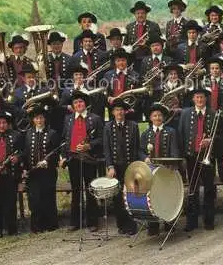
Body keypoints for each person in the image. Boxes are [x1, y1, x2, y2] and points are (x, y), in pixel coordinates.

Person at [178, 88, 223, 231]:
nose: (200, 100)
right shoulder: (185, 114)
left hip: (208, 157)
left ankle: (208, 220)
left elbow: (222, 135)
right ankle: (191, 222)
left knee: (209, 189)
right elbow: (181, 135)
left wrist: (211, 140)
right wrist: (182, 157)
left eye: (202, 98)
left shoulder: (214, 114)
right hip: (191, 157)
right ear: (193, 99)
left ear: (206, 99)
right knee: (192, 189)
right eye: (197, 97)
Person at [61, 90, 102, 232]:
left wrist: (88, 146)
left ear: (85, 104)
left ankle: (92, 222)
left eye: (81, 102)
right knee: (76, 191)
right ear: (73, 105)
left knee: (90, 190)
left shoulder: (95, 118)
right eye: (76, 102)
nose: (78, 104)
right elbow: (64, 140)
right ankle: (75, 222)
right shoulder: (68, 119)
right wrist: (64, 156)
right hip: (73, 159)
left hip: (89, 159)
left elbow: (101, 139)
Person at [103, 99, 142, 235]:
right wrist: (110, 166)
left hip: (129, 166)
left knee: (130, 195)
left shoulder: (133, 125)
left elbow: (137, 148)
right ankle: (121, 224)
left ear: (125, 111)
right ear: (113, 112)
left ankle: (132, 225)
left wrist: (136, 167)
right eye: (116, 110)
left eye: (121, 110)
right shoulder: (108, 127)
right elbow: (106, 149)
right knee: (117, 196)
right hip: (115, 168)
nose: (119, 112)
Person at [141, 103, 180, 235]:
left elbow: (175, 151)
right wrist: (144, 158)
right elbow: (140, 151)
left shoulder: (171, 132)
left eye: (159, 115)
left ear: (163, 118)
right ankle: (153, 225)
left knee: (167, 196)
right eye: (154, 115)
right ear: (151, 118)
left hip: (166, 170)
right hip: (151, 171)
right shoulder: (146, 133)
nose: (157, 118)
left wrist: (172, 166)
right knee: (152, 197)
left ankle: (169, 223)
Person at [22, 106, 60, 233]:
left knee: (48, 197)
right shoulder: (28, 133)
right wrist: (24, 169)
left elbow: (56, 152)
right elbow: (25, 153)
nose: (39, 121)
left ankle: (51, 224)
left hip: (48, 172)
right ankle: (37, 226)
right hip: (33, 173)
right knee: (35, 198)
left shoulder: (52, 133)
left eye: (41, 118)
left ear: (45, 119)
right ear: (33, 120)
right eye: (37, 118)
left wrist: (48, 161)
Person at [123, 1, 161, 72]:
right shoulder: (129, 27)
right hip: (133, 59)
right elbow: (125, 44)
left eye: (142, 13)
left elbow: (160, 44)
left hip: (149, 58)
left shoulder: (154, 26)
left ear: (146, 14)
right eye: (138, 13)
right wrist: (128, 48)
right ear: (134, 14)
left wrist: (146, 44)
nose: (140, 15)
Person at [103, 48, 140, 120]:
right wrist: (108, 98)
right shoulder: (108, 75)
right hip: (113, 110)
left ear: (127, 61)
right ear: (114, 62)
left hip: (129, 110)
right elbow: (105, 92)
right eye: (118, 61)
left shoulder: (135, 75)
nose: (121, 63)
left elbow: (138, 95)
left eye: (123, 60)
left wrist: (133, 108)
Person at [139, 35, 174, 107]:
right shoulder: (145, 60)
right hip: (149, 94)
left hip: (164, 92)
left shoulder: (169, 60)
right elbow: (141, 77)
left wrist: (163, 76)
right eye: (152, 46)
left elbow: (173, 77)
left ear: (162, 46)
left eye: (157, 45)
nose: (155, 47)